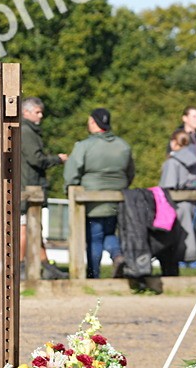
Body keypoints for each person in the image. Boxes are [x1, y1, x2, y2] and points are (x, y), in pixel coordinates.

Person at [64, 108, 135, 279]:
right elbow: (130, 172)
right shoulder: (123, 146)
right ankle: (117, 256)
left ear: (94, 123)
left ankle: (93, 276)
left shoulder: (84, 146)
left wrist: (69, 189)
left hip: (90, 202)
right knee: (110, 234)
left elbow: (71, 173)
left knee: (94, 238)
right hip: (116, 201)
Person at [20, 97, 68, 280]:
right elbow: (35, 159)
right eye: (37, 112)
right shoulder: (26, 131)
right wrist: (57, 159)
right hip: (28, 187)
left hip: (30, 186)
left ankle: (46, 265)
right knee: (25, 227)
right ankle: (20, 267)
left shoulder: (28, 130)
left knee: (34, 227)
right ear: (26, 112)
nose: (41, 115)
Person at [159, 130, 196, 268]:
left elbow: (167, 187)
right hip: (193, 206)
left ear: (174, 142)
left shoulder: (172, 162)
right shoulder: (195, 162)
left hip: (176, 207)